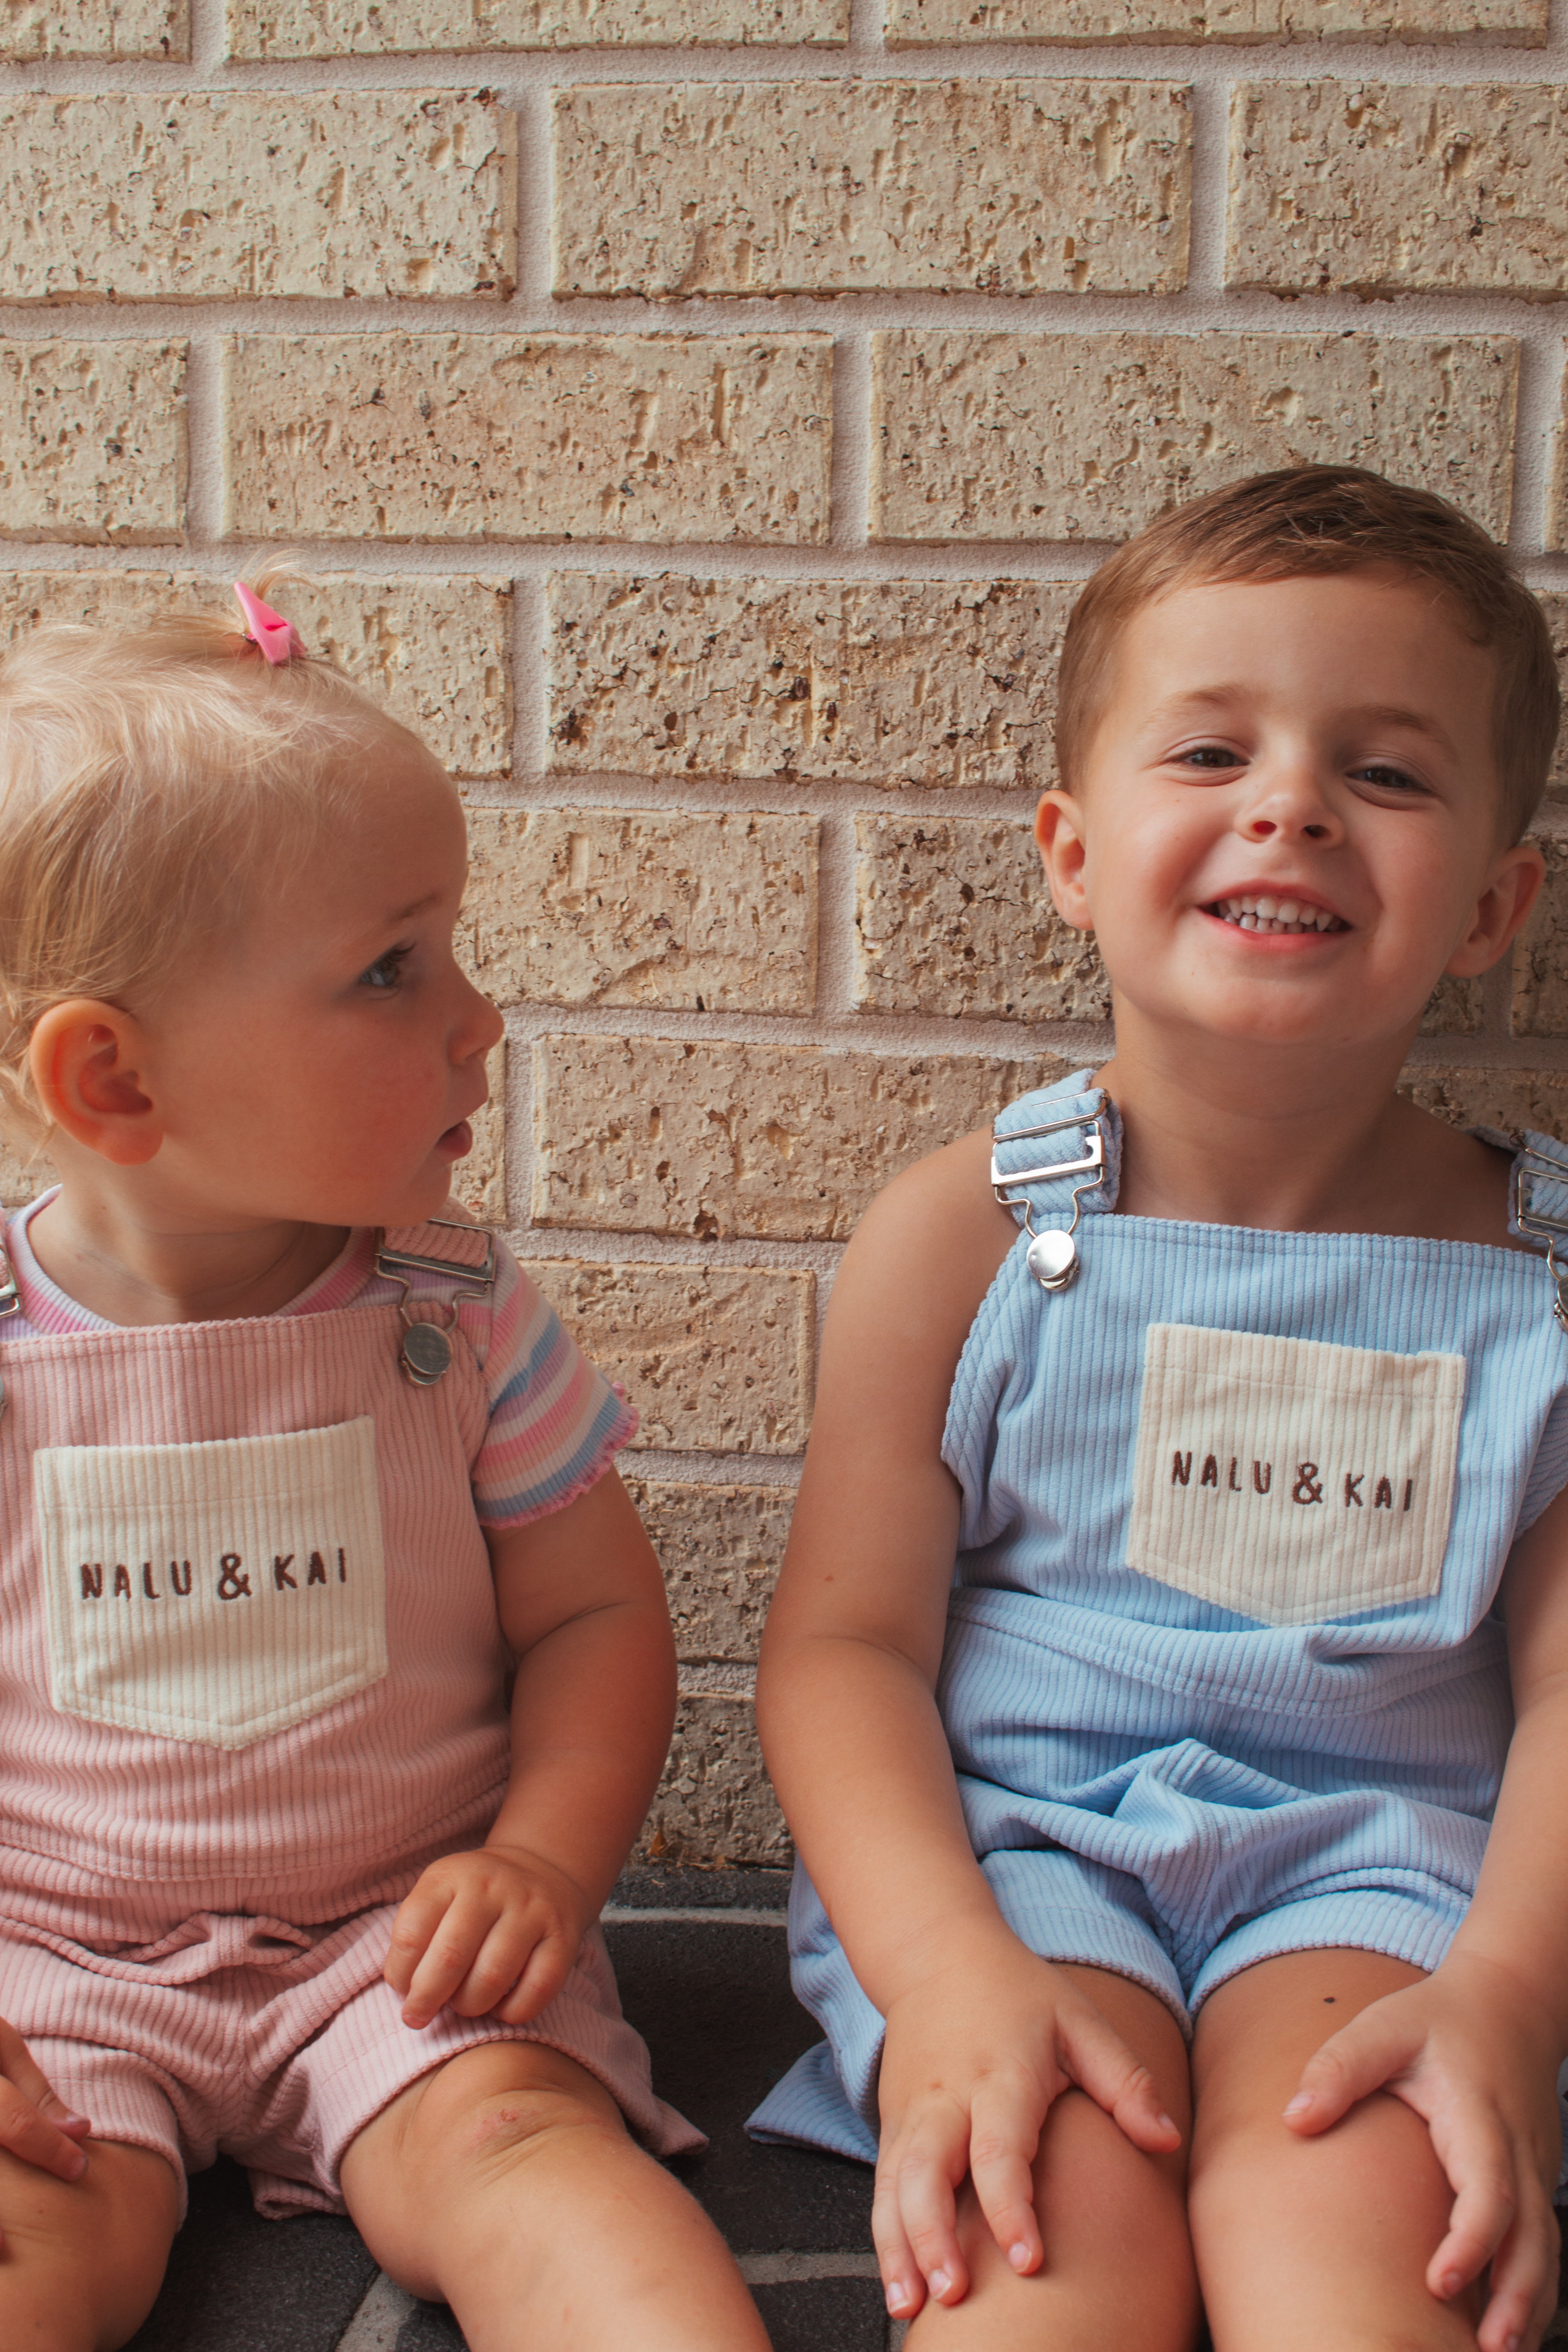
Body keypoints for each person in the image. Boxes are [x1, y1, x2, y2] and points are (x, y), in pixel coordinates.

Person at [748, 466, 1568, 2352]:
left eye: (1389, 773)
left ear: (1492, 905)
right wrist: (948, 1970)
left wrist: (1511, 2004)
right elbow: (846, 1650)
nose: (1289, 803)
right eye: (1209, 751)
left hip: (1385, 1868)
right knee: (1046, 2251)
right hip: (1016, 1857)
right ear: (1069, 849)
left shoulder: (1543, 1291)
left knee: (1357, 2246)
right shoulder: (959, 1236)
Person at [0, 584, 771, 2352]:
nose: (478, 1019)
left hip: (404, 1958)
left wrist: (548, 1870)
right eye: (390, 969)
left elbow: (592, 1618)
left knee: (550, 2183)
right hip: (46, 1959)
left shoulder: (461, 1319)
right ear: (116, 1080)